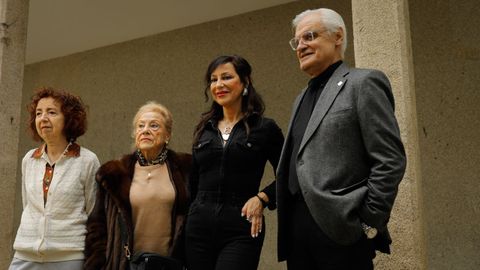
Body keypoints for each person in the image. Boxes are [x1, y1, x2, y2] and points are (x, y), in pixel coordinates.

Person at [276, 8, 407, 270]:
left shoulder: (364, 83)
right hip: (297, 232)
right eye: (297, 41)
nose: (301, 46)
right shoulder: (300, 98)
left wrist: (368, 221)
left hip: (342, 230)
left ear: (337, 36)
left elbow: (390, 159)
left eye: (310, 36)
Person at [185, 55, 284, 270]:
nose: (218, 85)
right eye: (213, 79)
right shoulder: (204, 129)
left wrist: (263, 198)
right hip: (198, 228)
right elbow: (192, 182)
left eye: (227, 77)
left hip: (242, 227)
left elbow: (289, 173)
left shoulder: (264, 128)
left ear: (245, 81)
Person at [84, 101, 191, 270]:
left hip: (169, 265)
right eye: (140, 126)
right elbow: (97, 226)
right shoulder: (113, 174)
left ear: (167, 135)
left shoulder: (186, 170)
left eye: (154, 126)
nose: (146, 130)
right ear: (135, 134)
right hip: (125, 265)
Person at [9, 87, 100, 270]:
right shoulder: (29, 159)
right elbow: (28, 205)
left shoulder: (87, 160)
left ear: (69, 118)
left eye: (51, 112)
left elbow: (93, 212)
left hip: (69, 256)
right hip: (25, 253)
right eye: (38, 113)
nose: (43, 118)